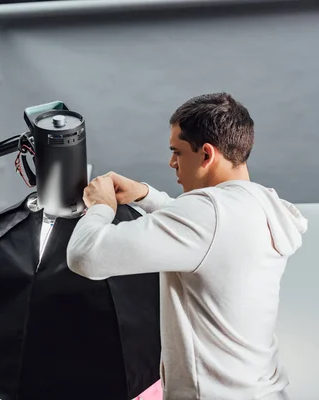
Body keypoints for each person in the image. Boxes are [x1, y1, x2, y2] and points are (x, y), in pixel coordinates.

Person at [66, 93, 307, 400]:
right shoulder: (260, 203)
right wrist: (145, 195)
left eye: (177, 152)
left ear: (206, 155)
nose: (171, 163)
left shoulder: (206, 216)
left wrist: (101, 207)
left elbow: (86, 256)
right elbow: (206, 233)